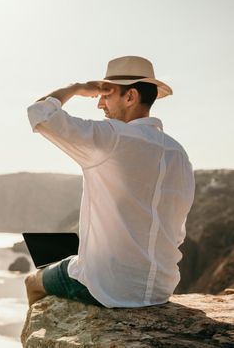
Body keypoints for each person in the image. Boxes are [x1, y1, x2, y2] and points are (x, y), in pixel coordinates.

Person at [24, 56, 195, 308]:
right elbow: (176, 231)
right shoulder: (179, 154)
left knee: (32, 280)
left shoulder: (111, 137)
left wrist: (78, 88)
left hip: (109, 287)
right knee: (70, 258)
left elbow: (38, 114)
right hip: (161, 287)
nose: (100, 104)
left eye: (107, 94)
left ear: (130, 97)